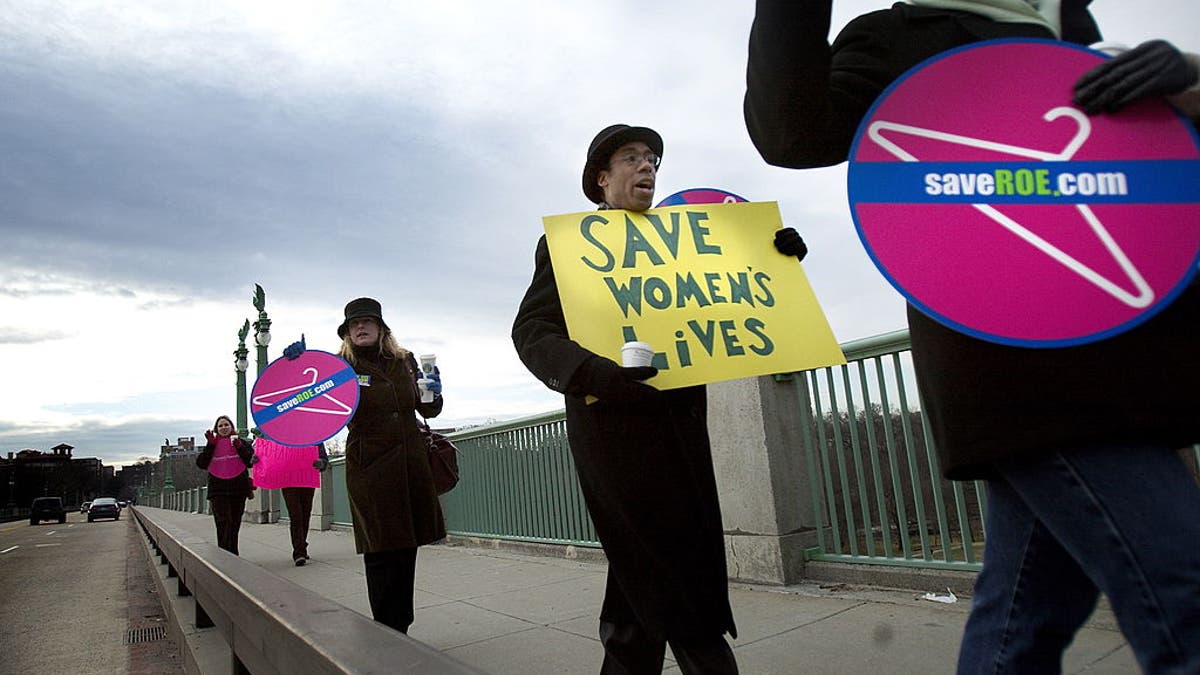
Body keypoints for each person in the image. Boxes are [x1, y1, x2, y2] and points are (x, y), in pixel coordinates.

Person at [743, 2, 1200, 672]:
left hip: (1135, 359)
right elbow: (791, 131)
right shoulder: (903, 36)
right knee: (1185, 594)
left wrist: (1188, 78)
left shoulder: (1088, 50)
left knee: (1022, 620)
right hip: (1029, 376)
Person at [511, 124, 809, 675]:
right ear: (602, 179)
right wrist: (602, 376)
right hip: (613, 430)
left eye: (652, 159)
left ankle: (629, 651)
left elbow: (743, 300)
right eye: (631, 159)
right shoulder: (570, 244)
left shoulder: (687, 241)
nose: (647, 167)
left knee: (641, 567)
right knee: (675, 563)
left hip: (682, 427)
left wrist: (780, 260)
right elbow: (533, 333)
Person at [336, 297, 445, 634]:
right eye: (355, 323)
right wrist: (296, 364)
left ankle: (403, 626)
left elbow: (427, 411)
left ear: (381, 328)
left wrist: (434, 394)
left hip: (410, 464)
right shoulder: (338, 368)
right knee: (380, 548)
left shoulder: (405, 361)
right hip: (369, 466)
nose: (361, 327)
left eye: (368, 321)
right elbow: (306, 405)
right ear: (347, 332)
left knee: (406, 547)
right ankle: (386, 629)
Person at [196, 415, 256, 555]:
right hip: (218, 490)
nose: (224, 428)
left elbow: (250, 461)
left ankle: (233, 553)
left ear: (232, 427)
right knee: (223, 522)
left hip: (238, 489)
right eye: (220, 426)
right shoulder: (212, 443)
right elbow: (202, 463)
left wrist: (240, 447)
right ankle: (224, 554)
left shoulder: (240, 442)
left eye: (226, 425)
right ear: (216, 429)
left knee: (235, 523)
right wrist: (210, 445)